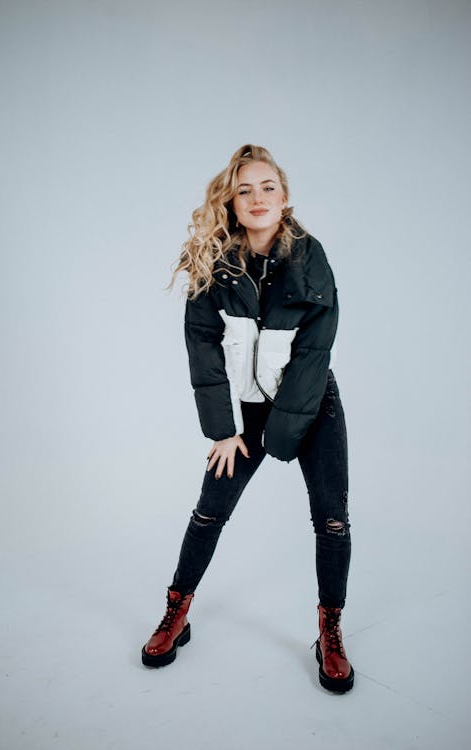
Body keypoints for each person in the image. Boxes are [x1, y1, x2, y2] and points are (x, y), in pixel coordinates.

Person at [141, 144, 354, 693]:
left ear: (284, 198)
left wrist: (282, 432)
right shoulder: (215, 263)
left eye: (267, 188)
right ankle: (176, 612)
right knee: (209, 512)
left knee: (331, 521)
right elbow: (202, 347)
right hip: (245, 412)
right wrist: (225, 431)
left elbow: (315, 350)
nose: (257, 198)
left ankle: (329, 630)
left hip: (311, 402)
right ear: (230, 204)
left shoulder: (311, 257)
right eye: (244, 190)